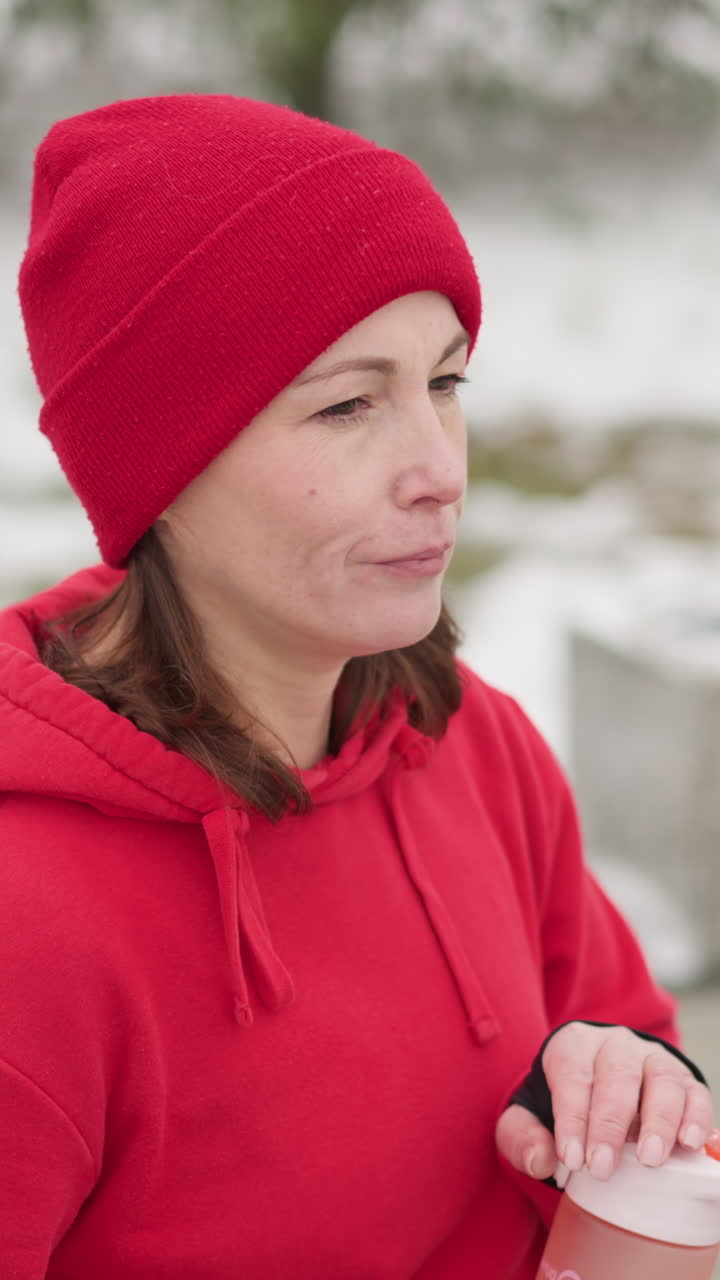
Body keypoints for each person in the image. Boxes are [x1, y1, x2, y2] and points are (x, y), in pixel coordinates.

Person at [0, 93, 711, 1280]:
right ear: (158, 464)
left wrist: (622, 1079)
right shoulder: (28, 928)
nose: (439, 471)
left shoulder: (476, 745)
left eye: (446, 383)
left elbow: (628, 1035)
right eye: (347, 404)